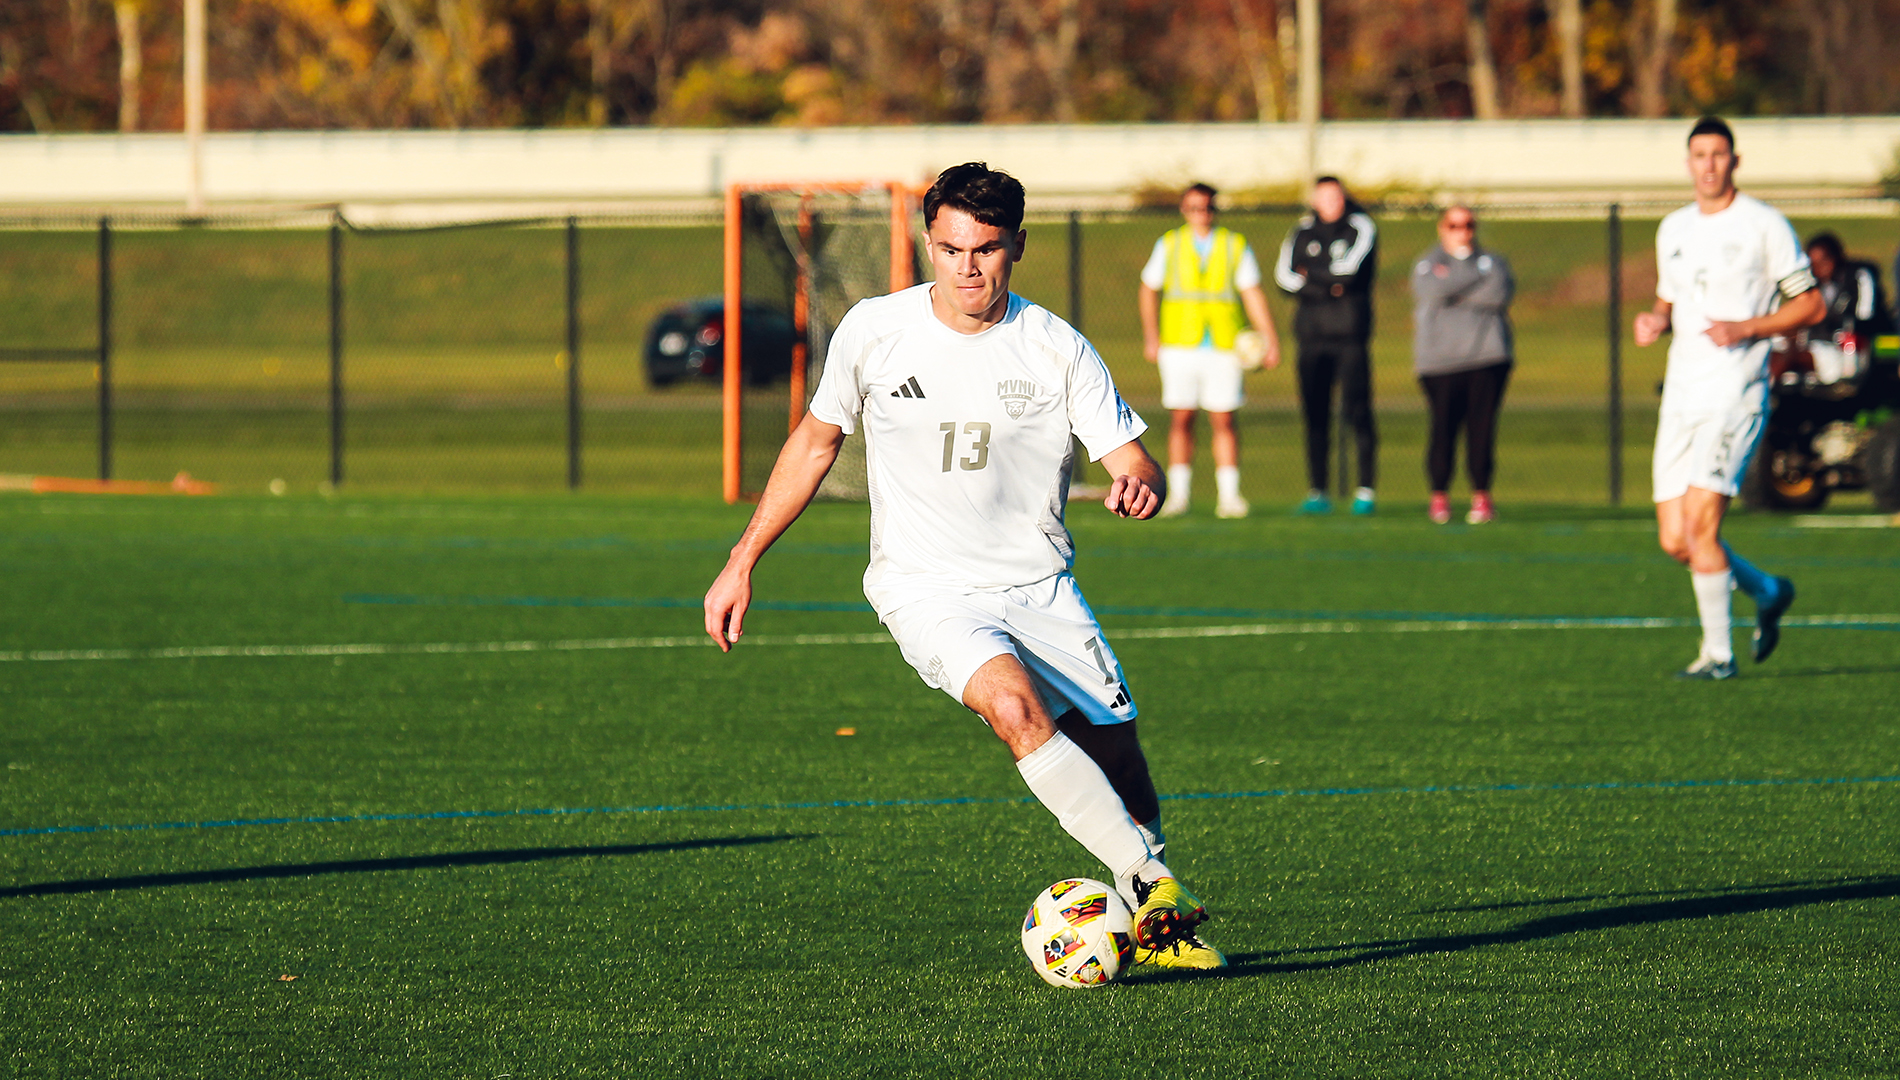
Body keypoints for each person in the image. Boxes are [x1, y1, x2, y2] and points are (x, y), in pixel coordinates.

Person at [703, 163, 1225, 970]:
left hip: (1039, 586)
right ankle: (1150, 879)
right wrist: (742, 561)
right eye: (950, 249)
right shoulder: (875, 330)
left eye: (986, 250)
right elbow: (814, 444)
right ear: (928, 244)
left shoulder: (1055, 348)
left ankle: (1153, 925)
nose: (967, 269)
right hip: (925, 587)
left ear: (1018, 244)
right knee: (1014, 710)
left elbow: (1137, 459)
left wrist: (1139, 484)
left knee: (1119, 756)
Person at [1633, 117, 1822, 680]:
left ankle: (1718, 655)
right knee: (1674, 541)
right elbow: (1669, 300)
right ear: (1688, 162)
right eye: (1699, 154)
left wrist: (1749, 328)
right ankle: (1767, 590)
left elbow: (1809, 305)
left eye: (1719, 154)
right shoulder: (1673, 228)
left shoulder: (1764, 225)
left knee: (1700, 528)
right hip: (1682, 397)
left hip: (1734, 394)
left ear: (1735, 162)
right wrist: (1655, 320)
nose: (1709, 164)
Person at [1137, 182, 1281, 519]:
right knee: (1181, 419)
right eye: (1195, 207)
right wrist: (1151, 335)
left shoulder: (1234, 245)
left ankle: (1229, 496)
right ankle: (1178, 495)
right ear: (1184, 210)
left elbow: (1252, 293)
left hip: (1223, 345)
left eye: (1208, 207)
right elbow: (1148, 289)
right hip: (1179, 344)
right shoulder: (1170, 244)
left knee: (1224, 419)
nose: (1202, 214)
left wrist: (1269, 338)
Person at [1275, 175, 1379, 514]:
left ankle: (1365, 489)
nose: (1331, 202)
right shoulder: (1302, 231)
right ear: (1315, 200)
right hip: (1311, 335)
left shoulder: (1360, 227)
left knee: (1357, 411)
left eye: (1336, 196)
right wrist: (1327, 283)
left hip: (1350, 335)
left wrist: (1311, 274)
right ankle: (1318, 489)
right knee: (1315, 415)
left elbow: (1349, 273)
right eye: (1324, 197)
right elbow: (1284, 278)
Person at [1411, 205, 1514, 525]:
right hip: (1439, 362)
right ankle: (1439, 496)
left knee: (1481, 431)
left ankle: (1481, 497)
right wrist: (1472, 278)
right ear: (1442, 228)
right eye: (1454, 225)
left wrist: (1455, 285)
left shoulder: (1493, 262)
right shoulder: (1427, 263)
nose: (1462, 232)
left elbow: (1497, 293)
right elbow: (1431, 291)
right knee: (1442, 429)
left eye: (1468, 225)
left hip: (1486, 358)